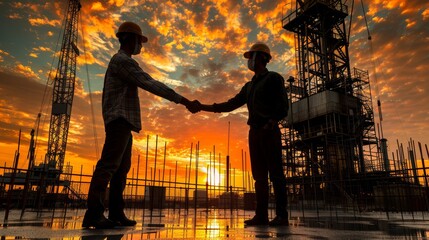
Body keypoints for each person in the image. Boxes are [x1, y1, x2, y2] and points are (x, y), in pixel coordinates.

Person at [82, 21, 198, 229]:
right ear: (129, 39)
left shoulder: (122, 61)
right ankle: (94, 214)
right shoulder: (122, 61)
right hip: (118, 120)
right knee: (108, 166)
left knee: (121, 169)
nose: (141, 46)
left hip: (123, 121)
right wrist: (183, 100)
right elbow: (149, 82)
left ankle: (116, 213)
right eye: (139, 41)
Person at [189, 42, 289, 226]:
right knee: (259, 177)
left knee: (276, 175)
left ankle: (282, 216)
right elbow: (231, 104)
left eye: (251, 57)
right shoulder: (249, 86)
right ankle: (261, 216)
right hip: (254, 133)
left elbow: (283, 106)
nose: (249, 61)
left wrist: (271, 122)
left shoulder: (273, 78)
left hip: (269, 131)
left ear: (261, 57)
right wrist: (202, 106)